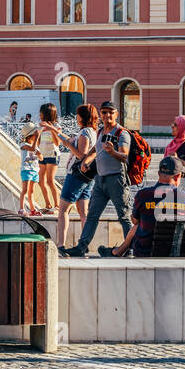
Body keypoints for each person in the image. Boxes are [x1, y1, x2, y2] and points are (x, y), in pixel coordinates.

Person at [64, 102, 134, 257]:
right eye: (104, 112)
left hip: (117, 180)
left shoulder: (122, 133)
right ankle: (81, 247)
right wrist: (86, 160)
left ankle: (130, 248)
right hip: (100, 180)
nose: (107, 115)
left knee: (123, 216)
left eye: (111, 112)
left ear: (116, 114)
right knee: (92, 216)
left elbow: (124, 156)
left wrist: (112, 151)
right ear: (101, 114)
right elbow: (96, 148)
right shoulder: (101, 131)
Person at [100, 157, 185, 258]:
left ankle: (117, 252)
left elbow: (135, 221)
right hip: (174, 251)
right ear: (178, 176)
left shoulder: (143, 195)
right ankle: (117, 252)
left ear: (158, 173)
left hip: (144, 251)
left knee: (140, 223)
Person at [47, 103, 96, 249]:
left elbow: (81, 154)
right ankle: (84, 244)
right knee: (83, 212)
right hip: (87, 178)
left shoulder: (85, 133)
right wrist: (55, 131)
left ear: (83, 117)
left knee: (63, 210)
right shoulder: (92, 131)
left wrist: (68, 146)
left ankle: (61, 244)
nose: (76, 117)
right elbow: (71, 140)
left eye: (78, 115)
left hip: (75, 176)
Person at [34, 102, 61, 214]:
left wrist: (51, 129)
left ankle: (57, 206)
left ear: (47, 114)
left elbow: (57, 142)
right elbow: (38, 141)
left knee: (50, 181)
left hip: (52, 155)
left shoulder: (57, 127)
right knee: (41, 181)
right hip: (43, 156)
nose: (39, 114)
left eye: (41, 113)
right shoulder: (41, 126)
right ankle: (48, 205)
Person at [18, 122, 41, 216]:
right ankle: (21, 209)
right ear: (30, 136)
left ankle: (32, 209)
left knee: (31, 191)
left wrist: (39, 153)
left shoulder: (35, 146)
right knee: (25, 190)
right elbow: (32, 149)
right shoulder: (23, 145)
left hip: (35, 170)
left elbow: (41, 157)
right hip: (26, 170)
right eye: (35, 135)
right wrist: (36, 139)